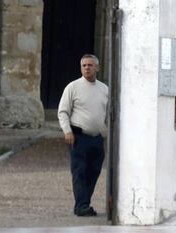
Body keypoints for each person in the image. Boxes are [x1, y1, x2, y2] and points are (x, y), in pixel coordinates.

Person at [57, 54, 108, 217]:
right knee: (79, 171)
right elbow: (63, 111)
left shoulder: (104, 89)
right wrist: (67, 131)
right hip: (79, 137)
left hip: (97, 138)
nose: (87, 68)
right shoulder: (72, 87)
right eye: (84, 65)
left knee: (94, 171)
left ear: (97, 68)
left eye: (90, 65)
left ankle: (83, 203)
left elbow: (109, 113)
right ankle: (82, 206)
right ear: (81, 68)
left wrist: (106, 133)